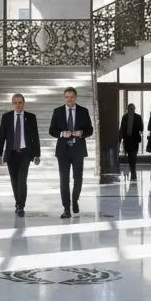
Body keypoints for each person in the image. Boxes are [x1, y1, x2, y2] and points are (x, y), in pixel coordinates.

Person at [48, 87, 93, 218]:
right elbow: (51, 130)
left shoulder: (84, 111)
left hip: (78, 150)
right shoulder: (57, 111)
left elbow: (90, 130)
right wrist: (62, 133)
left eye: (72, 96)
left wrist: (82, 133)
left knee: (78, 178)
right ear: (64, 98)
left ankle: (75, 200)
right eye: (67, 97)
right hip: (63, 151)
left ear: (75, 97)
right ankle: (66, 208)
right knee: (64, 180)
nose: (69, 99)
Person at [0, 93, 41, 216]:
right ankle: (18, 202)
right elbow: (1, 137)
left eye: (20, 102)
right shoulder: (6, 117)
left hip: (25, 153)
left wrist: (37, 154)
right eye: (15, 102)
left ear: (23, 104)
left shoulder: (31, 117)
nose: (18, 105)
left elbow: (35, 137)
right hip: (11, 154)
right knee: (14, 180)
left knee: (22, 180)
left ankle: (21, 206)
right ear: (12, 104)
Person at [119, 103, 144, 180]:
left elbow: (141, 127)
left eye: (133, 109)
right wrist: (120, 139)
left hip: (135, 139)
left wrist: (139, 131)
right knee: (130, 156)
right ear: (128, 109)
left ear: (134, 109)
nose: (132, 110)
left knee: (134, 155)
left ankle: (133, 171)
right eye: (130, 109)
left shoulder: (138, 117)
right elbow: (122, 128)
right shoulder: (125, 117)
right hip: (127, 139)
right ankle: (133, 171)